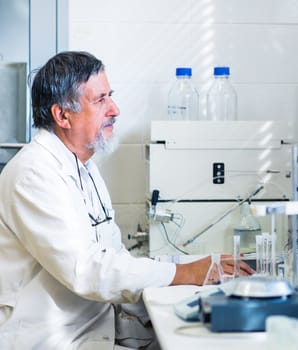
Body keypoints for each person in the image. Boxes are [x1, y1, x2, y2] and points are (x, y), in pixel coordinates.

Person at [0, 51, 253, 349]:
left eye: (111, 96)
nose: (115, 109)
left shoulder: (83, 167)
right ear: (62, 115)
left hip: (92, 329)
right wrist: (183, 273)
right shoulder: (34, 173)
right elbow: (88, 270)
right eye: (100, 100)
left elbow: (113, 256)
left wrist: (170, 306)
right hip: (51, 340)